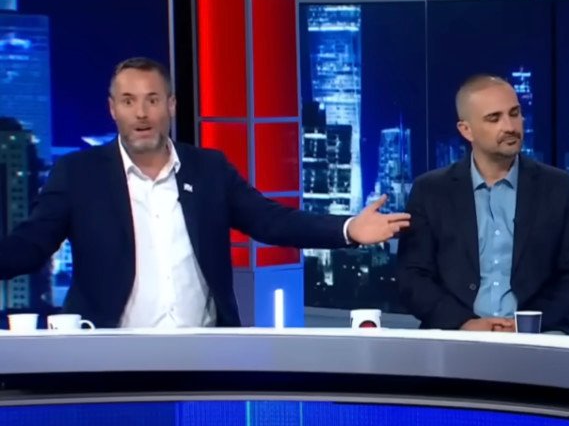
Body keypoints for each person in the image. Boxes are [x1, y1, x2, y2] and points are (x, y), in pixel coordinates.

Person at [0, 57, 410, 328]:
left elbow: (271, 221)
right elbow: (32, 244)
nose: (141, 113)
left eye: (152, 100)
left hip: (204, 357)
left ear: (171, 105)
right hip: (111, 357)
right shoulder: (79, 174)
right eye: (128, 101)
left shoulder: (208, 169)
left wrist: (348, 229)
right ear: (113, 109)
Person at [398, 74, 569, 334]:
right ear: (466, 130)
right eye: (494, 118)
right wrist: (464, 323)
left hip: (541, 336)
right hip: (456, 337)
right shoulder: (431, 190)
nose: (510, 126)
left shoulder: (559, 187)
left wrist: (525, 325)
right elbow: (412, 277)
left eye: (515, 113)